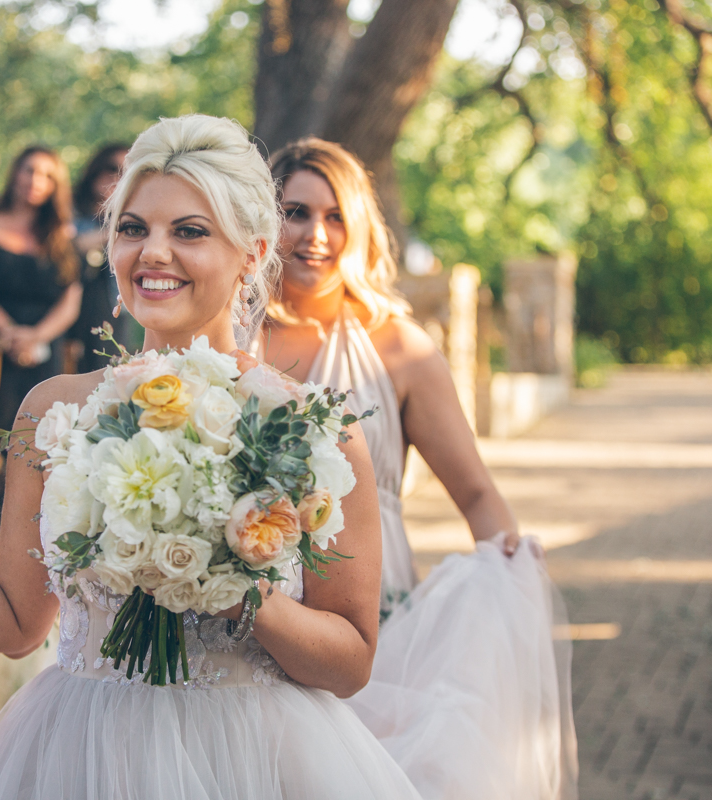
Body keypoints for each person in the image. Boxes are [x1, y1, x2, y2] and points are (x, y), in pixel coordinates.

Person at [0, 114, 422, 799]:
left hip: (253, 757)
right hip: (87, 751)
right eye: (134, 228)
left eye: (190, 231)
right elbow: (16, 623)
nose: (153, 254)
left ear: (252, 251)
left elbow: (351, 663)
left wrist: (232, 584)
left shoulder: (312, 430)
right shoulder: (54, 411)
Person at [262, 137, 577, 798]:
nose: (315, 234)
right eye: (295, 212)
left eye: (335, 216)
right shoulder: (227, 338)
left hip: (374, 617)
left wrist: (506, 564)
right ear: (265, 218)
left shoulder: (399, 348)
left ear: (358, 230)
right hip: (252, 614)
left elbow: (474, 489)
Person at [0, 145, 82, 433]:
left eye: (47, 176)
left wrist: (36, 337)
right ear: (15, 172)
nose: (36, 180)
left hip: (44, 348)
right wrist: (10, 332)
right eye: (30, 170)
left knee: (41, 433)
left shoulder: (62, 236)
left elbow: (70, 300)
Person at [70, 142, 133, 373]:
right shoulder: (71, 210)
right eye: (112, 168)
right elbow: (74, 244)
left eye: (128, 172)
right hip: (71, 308)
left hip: (113, 308)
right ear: (95, 171)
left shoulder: (135, 214)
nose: (118, 177)